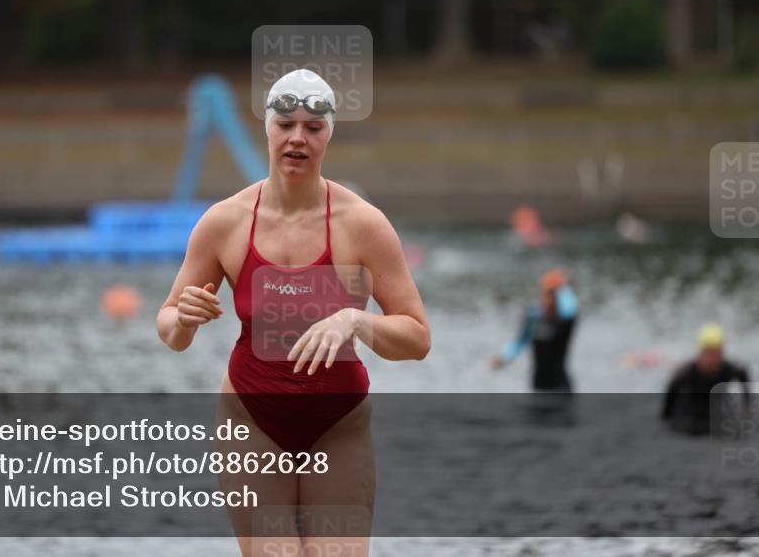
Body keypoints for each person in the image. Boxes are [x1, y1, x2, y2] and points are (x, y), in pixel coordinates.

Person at [157, 69, 430, 556]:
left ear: (329, 135)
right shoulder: (224, 222)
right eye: (285, 124)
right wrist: (183, 319)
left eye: (313, 127)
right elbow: (170, 329)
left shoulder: (363, 225)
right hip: (250, 420)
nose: (297, 139)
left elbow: (417, 338)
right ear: (266, 127)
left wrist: (357, 320)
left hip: (338, 425)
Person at [492, 268, 579, 391]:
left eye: (554, 297)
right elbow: (521, 340)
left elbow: (571, 305)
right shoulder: (533, 317)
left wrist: (563, 285)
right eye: (547, 296)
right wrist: (504, 357)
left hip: (560, 385)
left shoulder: (565, 320)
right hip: (538, 383)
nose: (550, 301)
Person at [661, 323, 752, 436]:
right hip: (692, 416)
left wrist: (747, 410)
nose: (712, 359)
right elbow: (670, 398)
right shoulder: (686, 373)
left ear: (722, 353)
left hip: (717, 413)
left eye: (716, 354)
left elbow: (744, 377)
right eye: (708, 354)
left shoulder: (731, 370)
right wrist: (666, 418)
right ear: (701, 353)